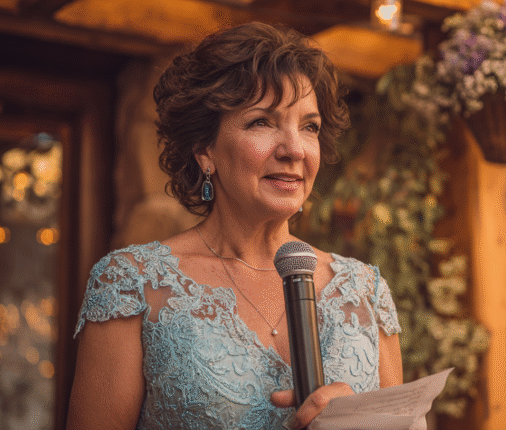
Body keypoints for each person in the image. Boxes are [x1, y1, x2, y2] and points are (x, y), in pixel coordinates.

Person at [67, 22, 403, 430]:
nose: (294, 149)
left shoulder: (365, 290)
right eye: (262, 122)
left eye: (309, 126)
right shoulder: (131, 284)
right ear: (205, 150)